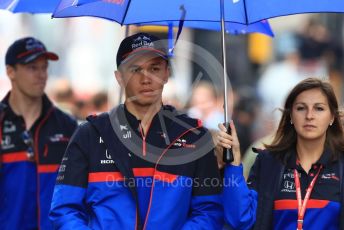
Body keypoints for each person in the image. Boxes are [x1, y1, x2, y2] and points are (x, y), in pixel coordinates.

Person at [50, 32, 223, 229]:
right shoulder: (90, 133)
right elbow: (64, 210)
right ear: (119, 77)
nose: (146, 78)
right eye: (135, 70)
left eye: (154, 68)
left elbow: (209, 212)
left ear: (166, 73)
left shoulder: (194, 135)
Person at [218, 78, 344, 229]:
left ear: (332, 117)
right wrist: (233, 164)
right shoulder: (268, 162)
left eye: (319, 108)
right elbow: (240, 219)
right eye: (301, 108)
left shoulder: (341, 165)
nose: (309, 115)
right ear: (290, 115)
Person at [0, 37, 78, 229]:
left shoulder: (67, 126)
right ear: (11, 72)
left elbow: (80, 190)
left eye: (44, 67)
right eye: (32, 68)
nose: (41, 74)